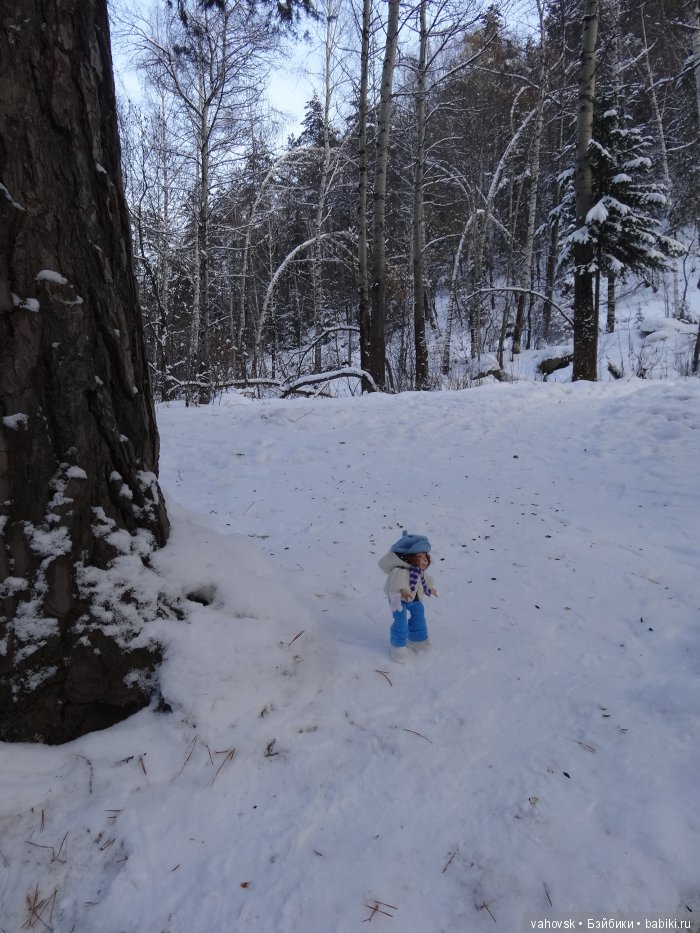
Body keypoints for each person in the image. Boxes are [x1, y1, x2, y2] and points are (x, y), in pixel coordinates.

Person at [378, 531, 438, 663]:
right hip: (398, 600)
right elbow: (397, 583)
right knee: (401, 619)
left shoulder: (419, 572)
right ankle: (398, 644)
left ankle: (418, 637)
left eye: (425, 558)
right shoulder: (400, 570)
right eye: (420, 557)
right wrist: (403, 591)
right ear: (411, 557)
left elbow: (425, 580)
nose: (424, 561)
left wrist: (430, 589)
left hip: (414, 598)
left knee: (419, 612)